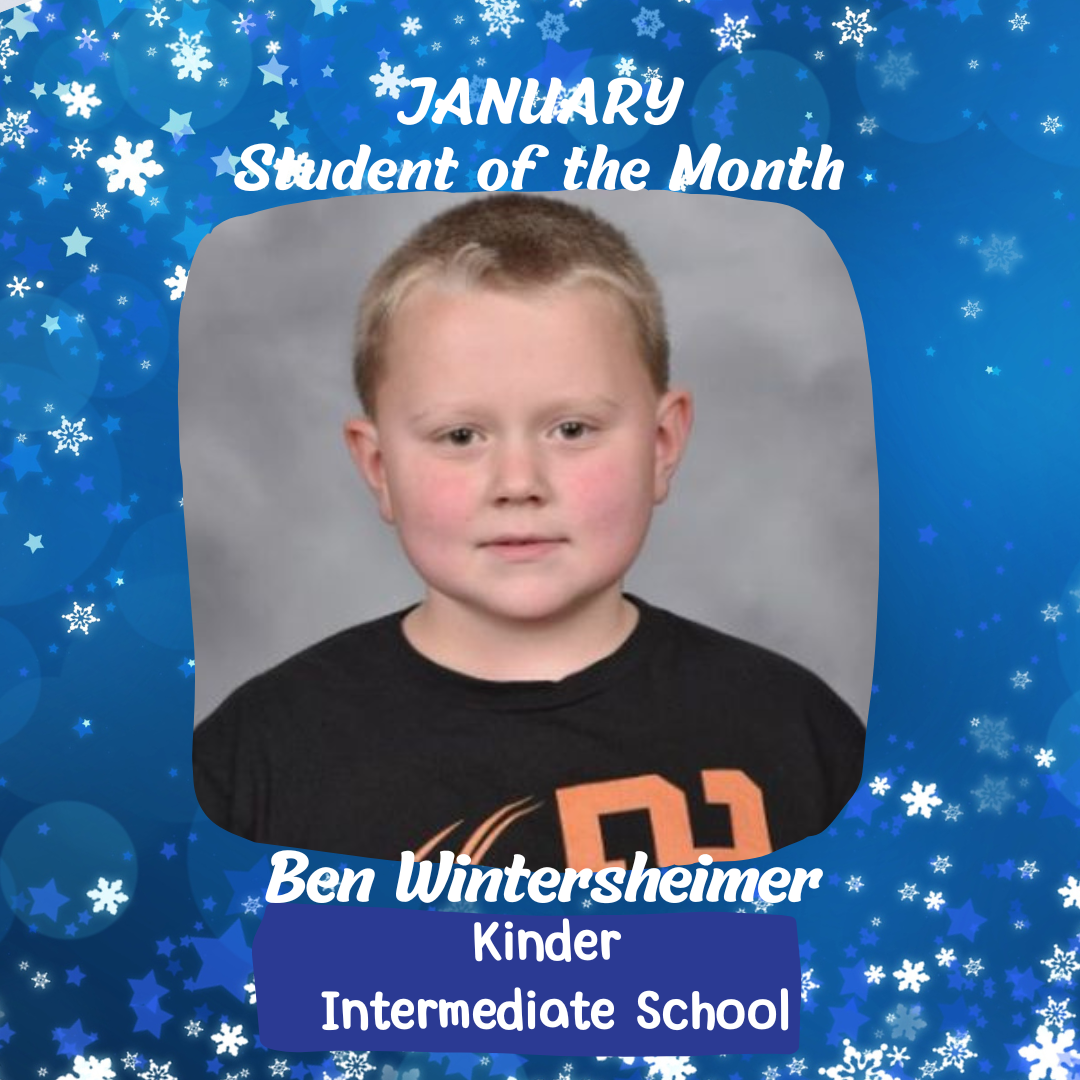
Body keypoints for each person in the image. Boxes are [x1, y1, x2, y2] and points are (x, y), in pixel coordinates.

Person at [192, 193, 865, 870]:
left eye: (572, 429)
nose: (518, 482)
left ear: (661, 445)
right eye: (460, 435)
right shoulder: (259, 758)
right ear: (378, 467)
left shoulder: (794, 732)